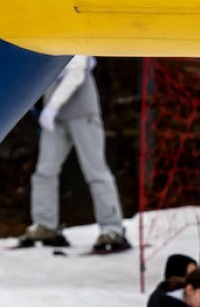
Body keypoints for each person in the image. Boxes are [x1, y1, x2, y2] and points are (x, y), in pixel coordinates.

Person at [18, 56, 131, 255]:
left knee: (96, 172)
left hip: (82, 114)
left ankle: (112, 228)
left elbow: (76, 73)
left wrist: (52, 108)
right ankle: (45, 225)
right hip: (56, 120)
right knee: (45, 171)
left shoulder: (76, 38)